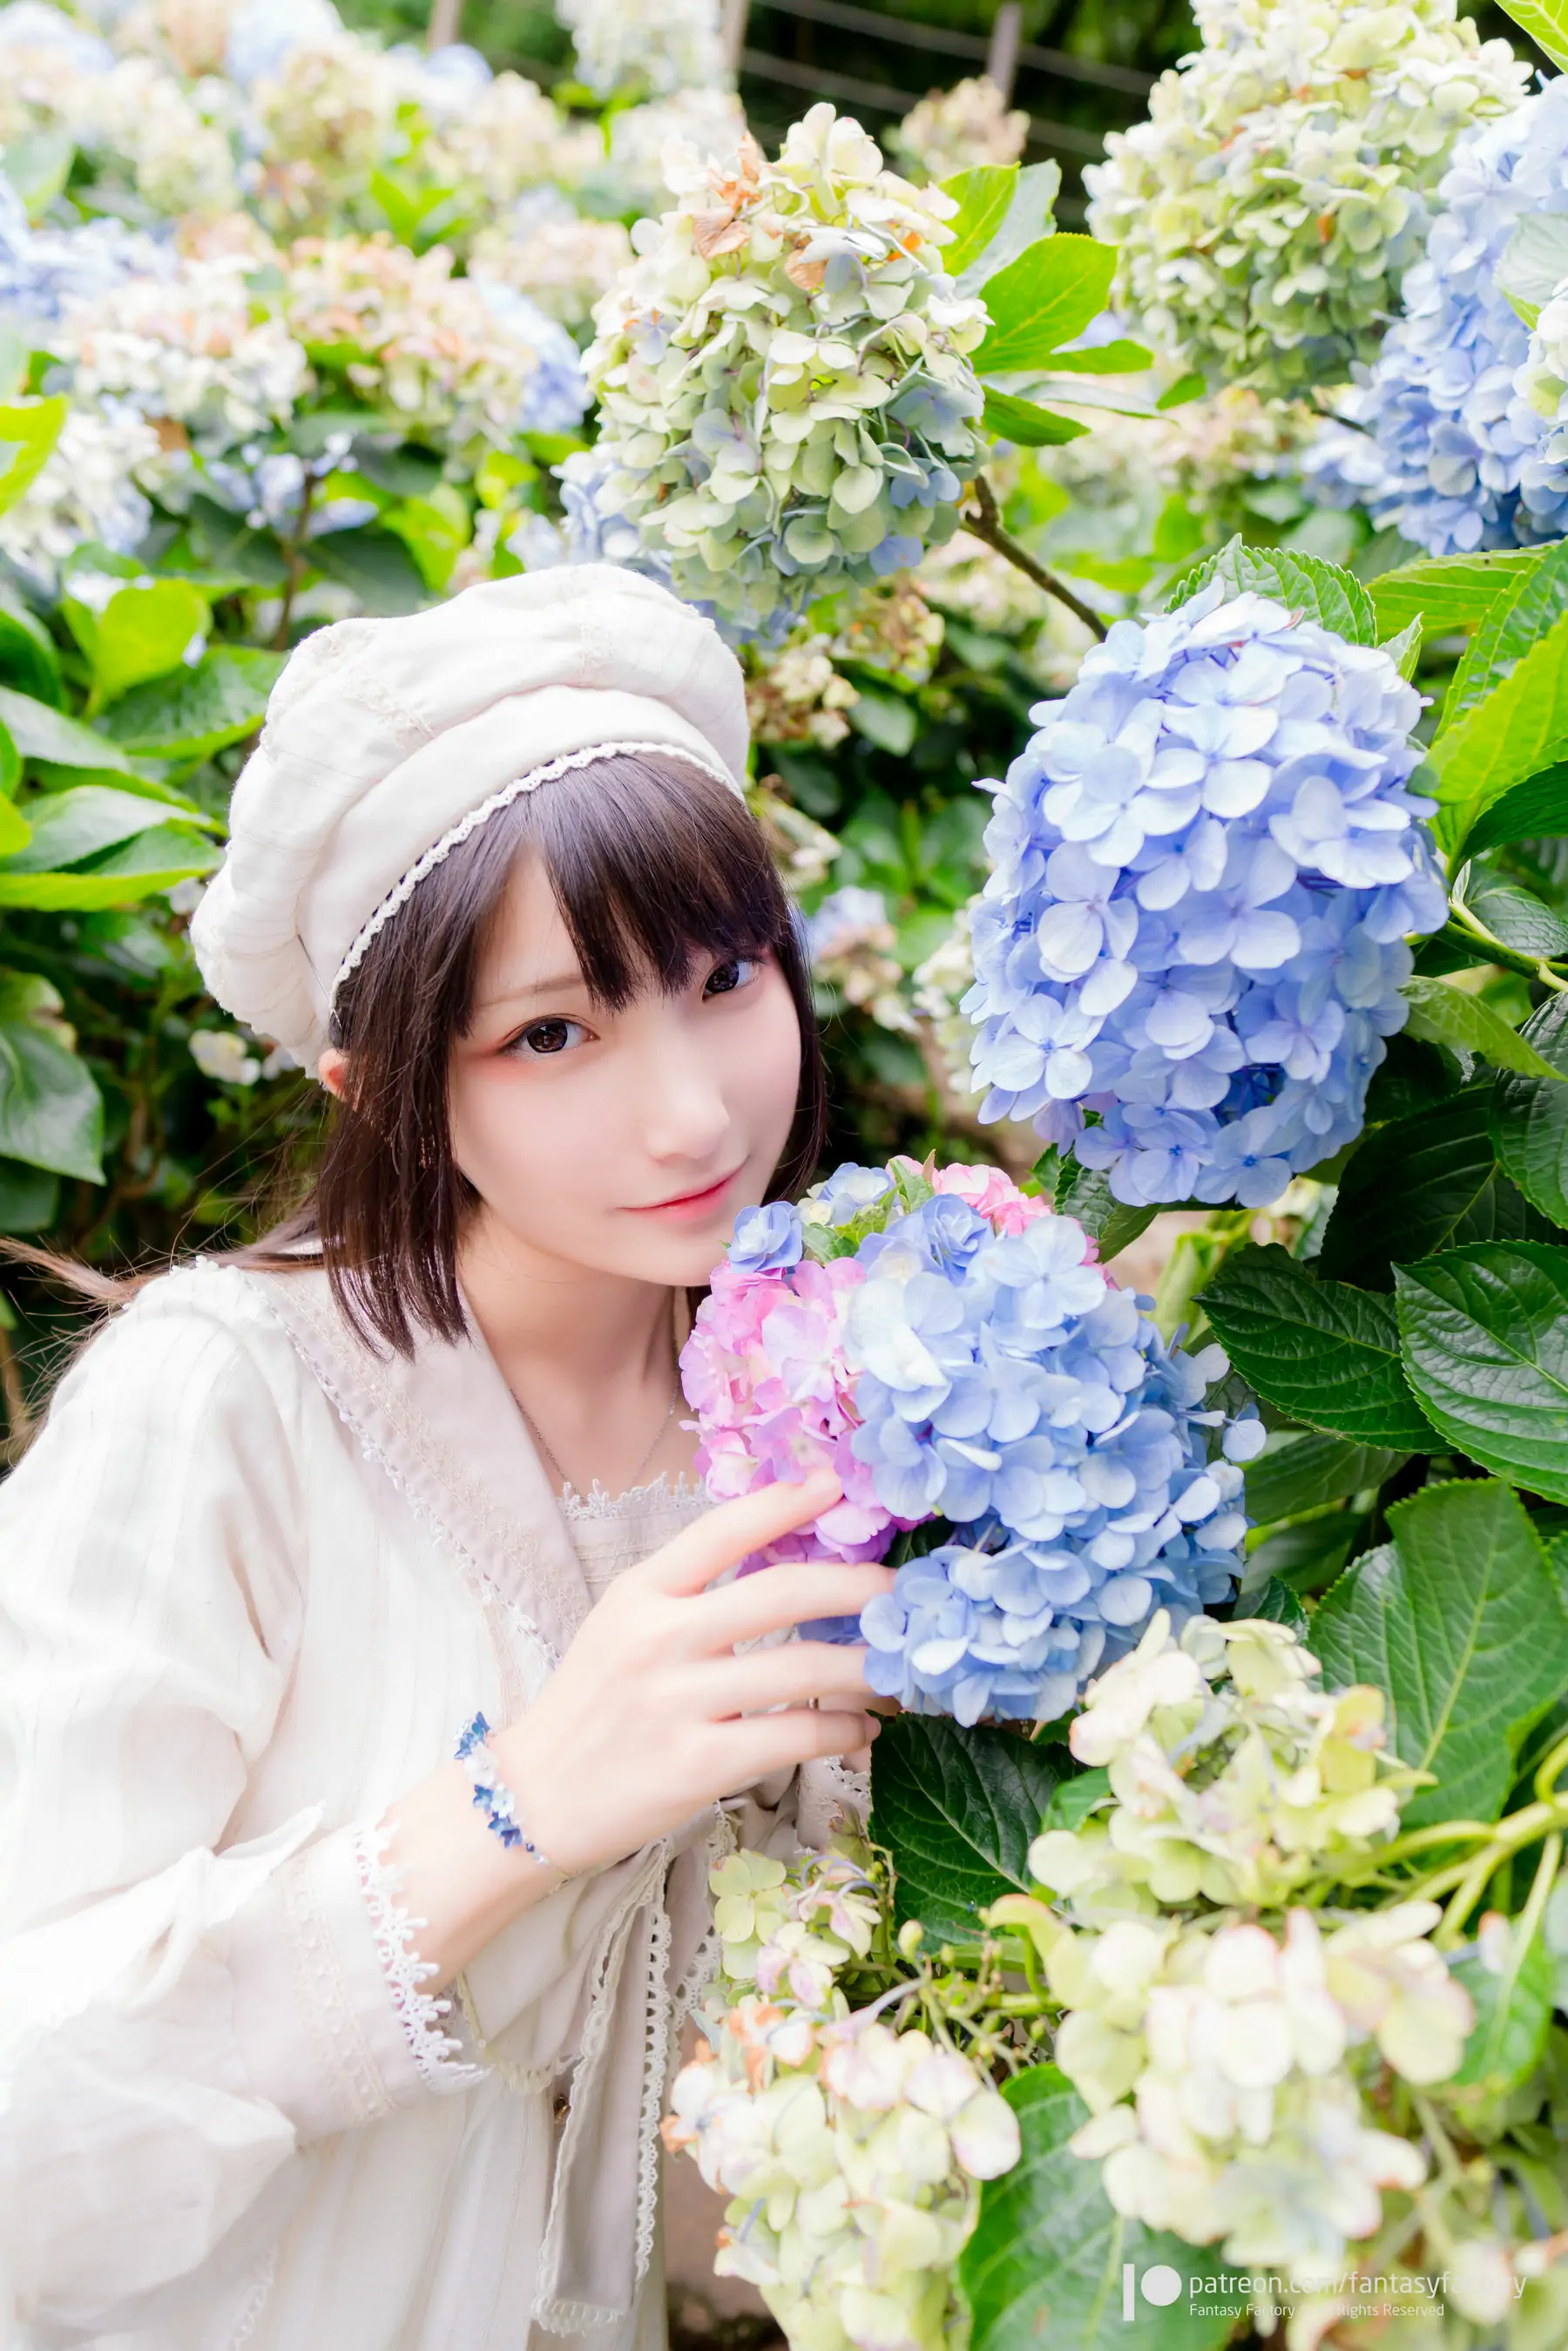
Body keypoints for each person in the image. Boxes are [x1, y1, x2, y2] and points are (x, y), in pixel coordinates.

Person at [0, 567, 889, 2351]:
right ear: (381, 1088)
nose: (694, 1112)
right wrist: (513, 1811)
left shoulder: (831, 1412)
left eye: (726, 976)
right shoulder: (224, 1406)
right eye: (551, 1030)